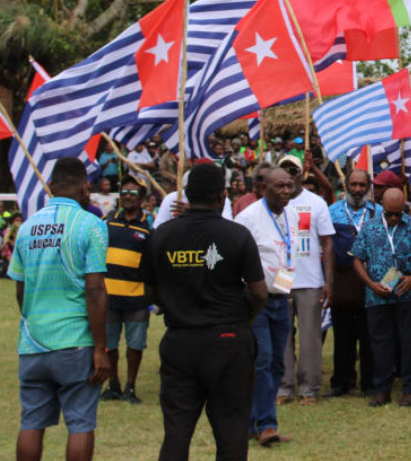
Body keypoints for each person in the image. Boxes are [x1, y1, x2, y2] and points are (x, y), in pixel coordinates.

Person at [142, 162, 268, 461]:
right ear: (222, 196)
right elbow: (259, 292)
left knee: (177, 430)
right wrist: (245, 318)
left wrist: (174, 304)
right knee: (232, 429)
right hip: (228, 339)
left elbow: (150, 291)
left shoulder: (160, 235)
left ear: (186, 194)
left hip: (180, 340)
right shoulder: (237, 235)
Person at [8, 157, 111, 461]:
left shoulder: (27, 227)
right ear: (86, 187)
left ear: (51, 186)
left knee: (31, 423)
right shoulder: (91, 225)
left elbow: (20, 289)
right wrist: (101, 349)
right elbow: (95, 289)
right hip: (75, 343)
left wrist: (33, 321)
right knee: (80, 423)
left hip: (33, 342)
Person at [233, 166, 299, 445]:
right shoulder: (247, 218)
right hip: (255, 301)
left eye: (289, 185)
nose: (286, 191)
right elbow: (234, 259)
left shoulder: (292, 214)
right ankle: (267, 426)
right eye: (280, 186)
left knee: (276, 364)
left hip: (281, 299)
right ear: (263, 189)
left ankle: (252, 422)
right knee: (261, 360)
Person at [352, 187, 411, 407]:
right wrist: (370, 284)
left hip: (408, 295)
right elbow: (357, 259)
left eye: (399, 213)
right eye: (390, 214)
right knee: (381, 344)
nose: (395, 218)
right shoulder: (369, 228)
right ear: (382, 206)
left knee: (409, 343)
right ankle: (382, 390)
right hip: (377, 296)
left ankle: (410, 390)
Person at [277, 156, 335, 407]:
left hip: (310, 278)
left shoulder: (316, 203)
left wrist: (328, 281)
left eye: (294, 170)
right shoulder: (271, 203)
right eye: (284, 170)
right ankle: (284, 386)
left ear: (303, 173)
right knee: (281, 334)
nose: (289, 175)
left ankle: (309, 388)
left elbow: (327, 243)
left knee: (310, 337)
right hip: (280, 278)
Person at [325, 168, 378, 398]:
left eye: (362, 185)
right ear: (346, 185)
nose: (357, 189)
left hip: (370, 281)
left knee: (369, 335)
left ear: (368, 187)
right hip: (342, 280)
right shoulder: (332, 211)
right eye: (353, 184)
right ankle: (341, 382)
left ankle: (370, 383)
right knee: (343, 335)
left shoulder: (378, 212)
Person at [101, 176, 152, 404]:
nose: (128, 197)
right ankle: (113, 384)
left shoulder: (149, 226)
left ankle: (130, 387)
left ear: (142, 198)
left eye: (133, 193)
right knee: (109, 344)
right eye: (124, 192)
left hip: (136, 297)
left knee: (135, 345)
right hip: (109, 296)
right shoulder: (108, 222)